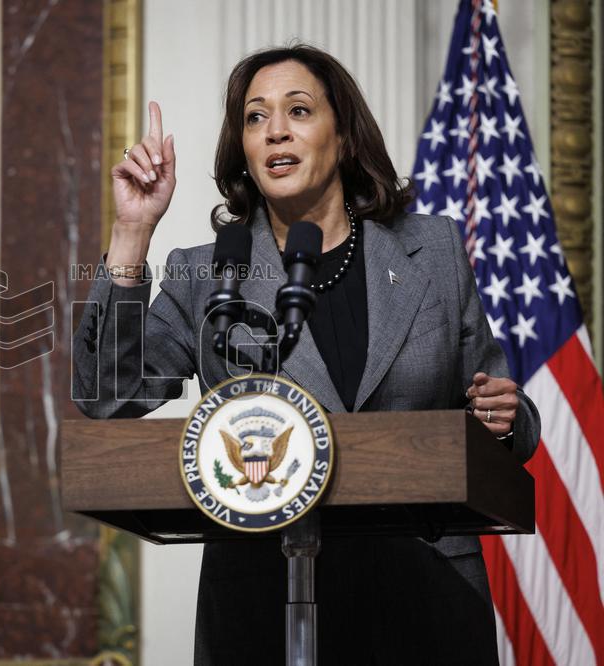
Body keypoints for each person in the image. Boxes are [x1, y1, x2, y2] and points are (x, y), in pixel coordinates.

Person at [72, 44, 540, 665]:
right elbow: (106, 398)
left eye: (298, 110)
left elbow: (505, 412)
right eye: (255, 118)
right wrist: (132, 232)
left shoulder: (432, 251)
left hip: (425, 599)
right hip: (263, 603)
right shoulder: (207, 274)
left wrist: (505, 419)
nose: (276, 132)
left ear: (343, 135)